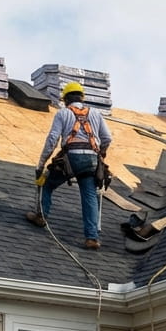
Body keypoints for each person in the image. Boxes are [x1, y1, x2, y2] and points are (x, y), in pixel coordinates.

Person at [26, 81, 112, 249]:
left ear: (65, 99)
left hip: (70, 158)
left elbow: (52, 140)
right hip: (92, 160)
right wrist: (101, 153)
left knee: (47, 184)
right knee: (89, 197)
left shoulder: (62, 114)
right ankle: (91, 238)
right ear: (82, 97)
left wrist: (41, 165)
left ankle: (41, 216)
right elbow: (107, 138)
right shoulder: (95, 113)